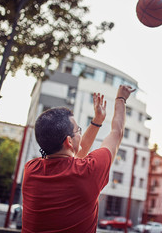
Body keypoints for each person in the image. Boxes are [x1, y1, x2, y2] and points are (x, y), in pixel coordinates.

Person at [21, 85, 135, 233]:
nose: (80, 135)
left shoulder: (30, 170)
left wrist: (97, 121)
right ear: (69, 141)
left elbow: (75, 156)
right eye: (78, 130)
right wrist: (121, 99)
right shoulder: (89, 171)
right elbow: (116, 132)